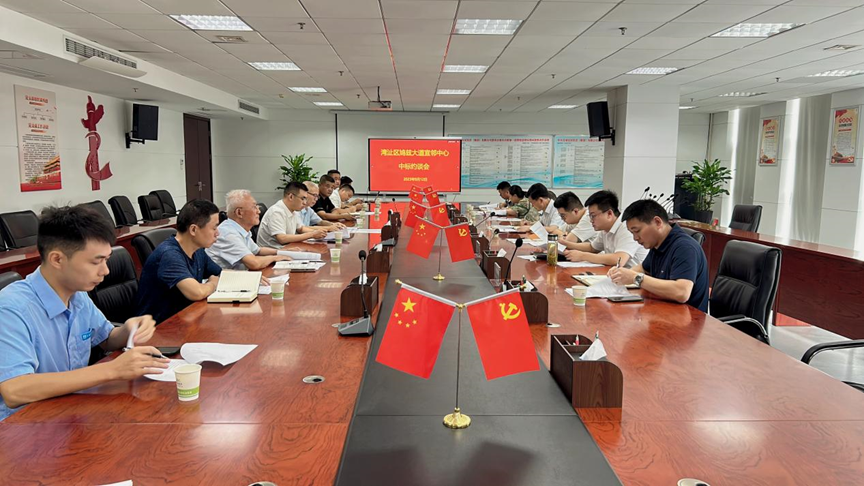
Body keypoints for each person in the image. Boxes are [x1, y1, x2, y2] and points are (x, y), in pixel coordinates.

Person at [0, 206, 169, 421]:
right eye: (96, 262)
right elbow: (15, 390)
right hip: (24, 426)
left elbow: (106, 339)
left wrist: (128, 330)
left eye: (106, 260)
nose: (105, 271)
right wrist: (112, 370)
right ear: (57, 259)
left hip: (70, 412)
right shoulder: (11, 308)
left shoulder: (77, 295)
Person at [608, 199, 709, 312]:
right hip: (663, 310)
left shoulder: (685, 247)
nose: (635, 238)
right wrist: (620, 274)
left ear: (657, 222)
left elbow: (682, 292)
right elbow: (643, 269)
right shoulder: (657, 243)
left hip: (688, 317)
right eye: (632, 233)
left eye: (637, 231)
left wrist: (635, 278)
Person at [136, 200, 224, 323]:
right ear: (193, 230)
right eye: (214, 228)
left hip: (187, 318)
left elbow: (220, 274)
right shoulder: (169, 255)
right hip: (159, 327)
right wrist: (213, 284)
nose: (217, 233)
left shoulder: (197, 250)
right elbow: (197, 292)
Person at [206, 190, 293, 270]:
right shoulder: (228, 234)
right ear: (239, 212)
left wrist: (282, 252)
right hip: (224, 280)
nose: (259, 211)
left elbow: (257, 250)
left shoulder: (239, 229)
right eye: (254, 207)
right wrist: (275, 258)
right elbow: (254, 263)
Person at [561, 190, 648, 268]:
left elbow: (619, 259)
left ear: (609, 214)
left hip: (633, 277)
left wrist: (582, 256)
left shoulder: (626, 227)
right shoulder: (605, 229)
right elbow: (592, 248)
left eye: (593, 216)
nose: (591, 220)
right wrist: (567, 244)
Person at [257, 182, 328, 248]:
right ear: (291, 196)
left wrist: (319, 233)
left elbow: (301, 229)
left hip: (287, 249)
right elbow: (282, 239)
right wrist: (311, 234)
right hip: (272, 253)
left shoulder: (293, 210)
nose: (304, 202)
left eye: (306, 199)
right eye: (303, 198)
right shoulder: (276, 212)